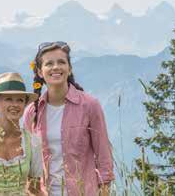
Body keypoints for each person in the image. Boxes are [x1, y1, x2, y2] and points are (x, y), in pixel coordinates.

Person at [22, 41, 115, 195]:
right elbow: (27, 162)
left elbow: (104, 158)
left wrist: (104, 191)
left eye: (61, 62)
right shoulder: (32, 112)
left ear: (69, 68)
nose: (56, 67)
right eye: (49, 63)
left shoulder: (90, 105)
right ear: (40, 72)